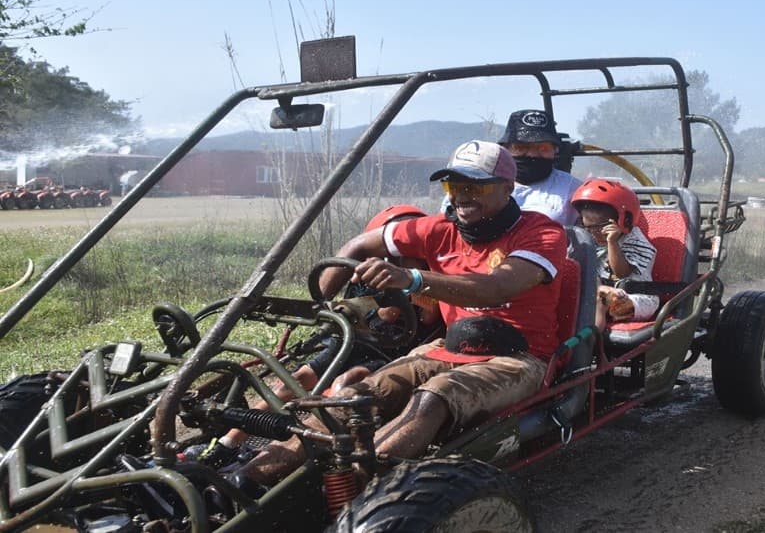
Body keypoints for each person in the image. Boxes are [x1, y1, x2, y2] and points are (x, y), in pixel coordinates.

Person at [235, 140, 566, 485]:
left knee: (434, 397)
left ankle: (362, 485)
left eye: (474, 187)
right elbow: (359, 245)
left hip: (519, 359)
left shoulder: (541, 233)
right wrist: (320, 304)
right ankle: (242, 484)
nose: (461, 197)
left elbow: (495, 287)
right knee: (350, 399)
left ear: (508, 188)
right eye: (454, 186)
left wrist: (412, 278)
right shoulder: (439, 229)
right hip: (450, 347)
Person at [185, 205, 440, 467]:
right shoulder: (362, 273)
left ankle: (305, 453)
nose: (396, 252)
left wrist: (406, 283)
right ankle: (228, 443)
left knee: (347, 384)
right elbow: (343, 304)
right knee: (292, 382)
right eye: (391, 245)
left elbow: (428, 317)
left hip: (393, 354)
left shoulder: (425, 276)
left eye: (405, 247)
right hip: (352, 343)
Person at [571, 179, 659, 329]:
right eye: (587, 227)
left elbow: (622, 272)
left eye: (598, 228)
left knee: (600, 298)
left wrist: (612, 243)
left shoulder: (636, 241)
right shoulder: (588, 238)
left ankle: (589, 343)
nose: (592, 233)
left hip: (634, 297)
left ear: (622, 221)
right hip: (598, 291)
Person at [499, 109, 583, 226]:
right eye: (521, 147)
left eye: (543, 148)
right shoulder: (489, 185)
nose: (532, 155)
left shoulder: (573, 189)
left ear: (555, 150)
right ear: (506, 149)